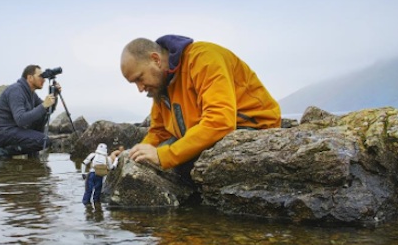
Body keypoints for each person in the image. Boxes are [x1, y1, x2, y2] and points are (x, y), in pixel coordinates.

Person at [120, 35, 281, 176]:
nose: (140, 88)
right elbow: (159, 131)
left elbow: (220, 121)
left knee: (178, 166)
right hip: (206, 132)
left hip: (252, 130)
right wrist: (131, 154)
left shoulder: (204, 58)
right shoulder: (161, 84)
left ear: (156, 59)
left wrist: (164, 155)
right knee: (145, 162)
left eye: (139, 78)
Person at [0, 65, 60, 159]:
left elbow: (47, 111)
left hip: (14, 129)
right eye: (40, 76)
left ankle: (33, 156)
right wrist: (43, 106)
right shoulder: (16, 91)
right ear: (29, 77)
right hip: (2, 132)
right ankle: (3, 152)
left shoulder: (31, 93)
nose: (43, 79)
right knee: (44, 141)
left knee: (42, 117)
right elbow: (21, 119)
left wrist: (54, 94)